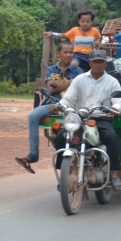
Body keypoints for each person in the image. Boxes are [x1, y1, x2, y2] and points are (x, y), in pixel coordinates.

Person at [51, 50, 121, 191]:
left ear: (105, 64)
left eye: (101, 62)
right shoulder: (80, 79)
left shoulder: (112, 81)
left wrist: (114, 108)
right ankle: (64, 174)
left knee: (111, 138)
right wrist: (59, 105)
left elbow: (119, 102)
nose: (98, 64)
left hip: (102, 118)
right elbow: (69, 99)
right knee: (61, 136)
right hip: (80, 117)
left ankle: (113, 174)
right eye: (95, 61)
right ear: (90, 63)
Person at [15, 42, 83, 174]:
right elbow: (51, 89)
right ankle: (33, 155)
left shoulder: (78, 71)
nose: (69, 55)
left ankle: (68, 149)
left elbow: (75, 90)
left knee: (67, 122)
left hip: (70, 104)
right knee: (33, 116)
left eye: (71, 52)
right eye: (66, 52)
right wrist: (71, 82)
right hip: (52, 103)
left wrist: (62, 84)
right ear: (59, 53)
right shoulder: (52, 69)